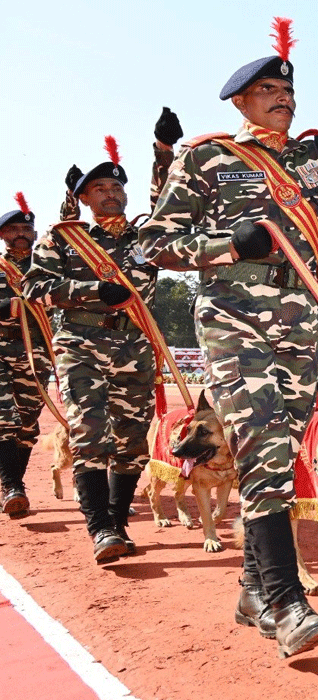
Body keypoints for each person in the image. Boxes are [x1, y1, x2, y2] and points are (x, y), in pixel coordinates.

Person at [139, 3, 318, 657]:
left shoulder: (312, 158)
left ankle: (251, 585)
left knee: (276, 455)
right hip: (233, 322)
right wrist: (227, 243)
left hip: (301, 330)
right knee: (265, 451)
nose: (283, 100)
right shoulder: (212, 160)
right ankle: (285, 602)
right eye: (269, 90)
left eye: (289, 90)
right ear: (241, 99)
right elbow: (155, 242)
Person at [25, 130, 168, 563]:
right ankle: (100, 529)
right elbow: (34, 287)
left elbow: (167, 199)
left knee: (131, 442)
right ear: (84, 198)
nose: (111, 194)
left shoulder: (146, 238)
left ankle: (118, 521)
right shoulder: (65, 238)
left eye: (117, 187)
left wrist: (163, 151)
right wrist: (90, 291)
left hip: (135, 345)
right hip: (81, 343)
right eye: (100, 188)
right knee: (89, 433)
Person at [0, 195, 52, 517]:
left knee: (28, 425)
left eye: (26, 228)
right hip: (1, 349)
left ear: (34, 234)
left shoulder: (47, 268)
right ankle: (12, 486)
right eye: (13, 228)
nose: (20, 232)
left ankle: (13, 486)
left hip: (38, 352)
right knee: (3, 417)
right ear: (3, 235)